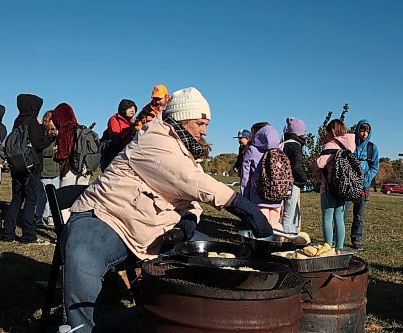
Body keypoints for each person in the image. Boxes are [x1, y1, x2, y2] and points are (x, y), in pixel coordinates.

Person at [61, 87, 273, 332]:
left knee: (208, 253)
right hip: (105, 215)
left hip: (148, 227)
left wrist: (189, 221)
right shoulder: (155, 139)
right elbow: (192, 181)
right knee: (83, 254)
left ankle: (175, 313)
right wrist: (247, 210)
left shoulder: (185, 150)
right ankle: (81, 327)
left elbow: (189, 196)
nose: (205, 130)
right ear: (182, 119)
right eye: (200, 123)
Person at [2, 94, 55, 243]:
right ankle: (28, 236)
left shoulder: (17, 120)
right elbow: (38, 144)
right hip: (31, 168)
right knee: (30, 201)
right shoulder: (31, 121)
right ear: (34, 107)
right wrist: (51, 137)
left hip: (16, 165)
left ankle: (8, 234)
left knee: (16, 200)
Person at [311, 119, 356, 250]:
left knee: (327, 218)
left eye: (326, 132)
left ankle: (328, 247)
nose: (325, 135)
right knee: (339, 218)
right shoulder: (349, 146)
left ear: (331, 132)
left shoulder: (331, 145)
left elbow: (319, 164)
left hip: (329, 187)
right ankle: (340, 248)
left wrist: (313, 166)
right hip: (343, 187)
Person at [240, 123, 284, 228]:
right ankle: (278, 242)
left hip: (258, 193)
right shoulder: (279, 151)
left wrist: (244, 196)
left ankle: (261, 243)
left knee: (261, 224)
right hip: (277, 194)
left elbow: (245, 175)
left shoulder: (252, 150)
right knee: (275, 223)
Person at [344, 120, 379, 250]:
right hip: (348, 185)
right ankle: (337, 238)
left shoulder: (372, 148)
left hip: (363, 186)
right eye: (362, 130)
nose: (364, 134)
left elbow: (374, 167)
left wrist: (366, 179)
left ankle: (356, 239)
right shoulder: (350, 145)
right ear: (357, 130)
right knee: (342, 213)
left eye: (367, 131)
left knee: (358, 215)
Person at [280, 117, 307, 234]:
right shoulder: (295, 147)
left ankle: (291, 234)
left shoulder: (282, 145)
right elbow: (296, 166)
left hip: (281, 183)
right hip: (292, 184)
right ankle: (288, 237)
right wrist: (304, 178)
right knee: (289, 214)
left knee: (285, 212)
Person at [35, 111, 59, 226]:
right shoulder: (41, 133)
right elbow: (40, 149)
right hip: (44, 169)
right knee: (42, 196)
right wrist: (52, 150)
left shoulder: (57, 134)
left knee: (54, 196)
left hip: (55, 169)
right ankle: (40, 216)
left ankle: (50, 216)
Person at [99, 99, 137, 171]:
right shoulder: (114, 119)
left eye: (134, 109)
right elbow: (116, 135)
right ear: (123, 108)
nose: (132, 110)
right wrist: (130, 130)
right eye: (130, 108)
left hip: (128, 151)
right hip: (115, 153)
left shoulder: (133, 122)